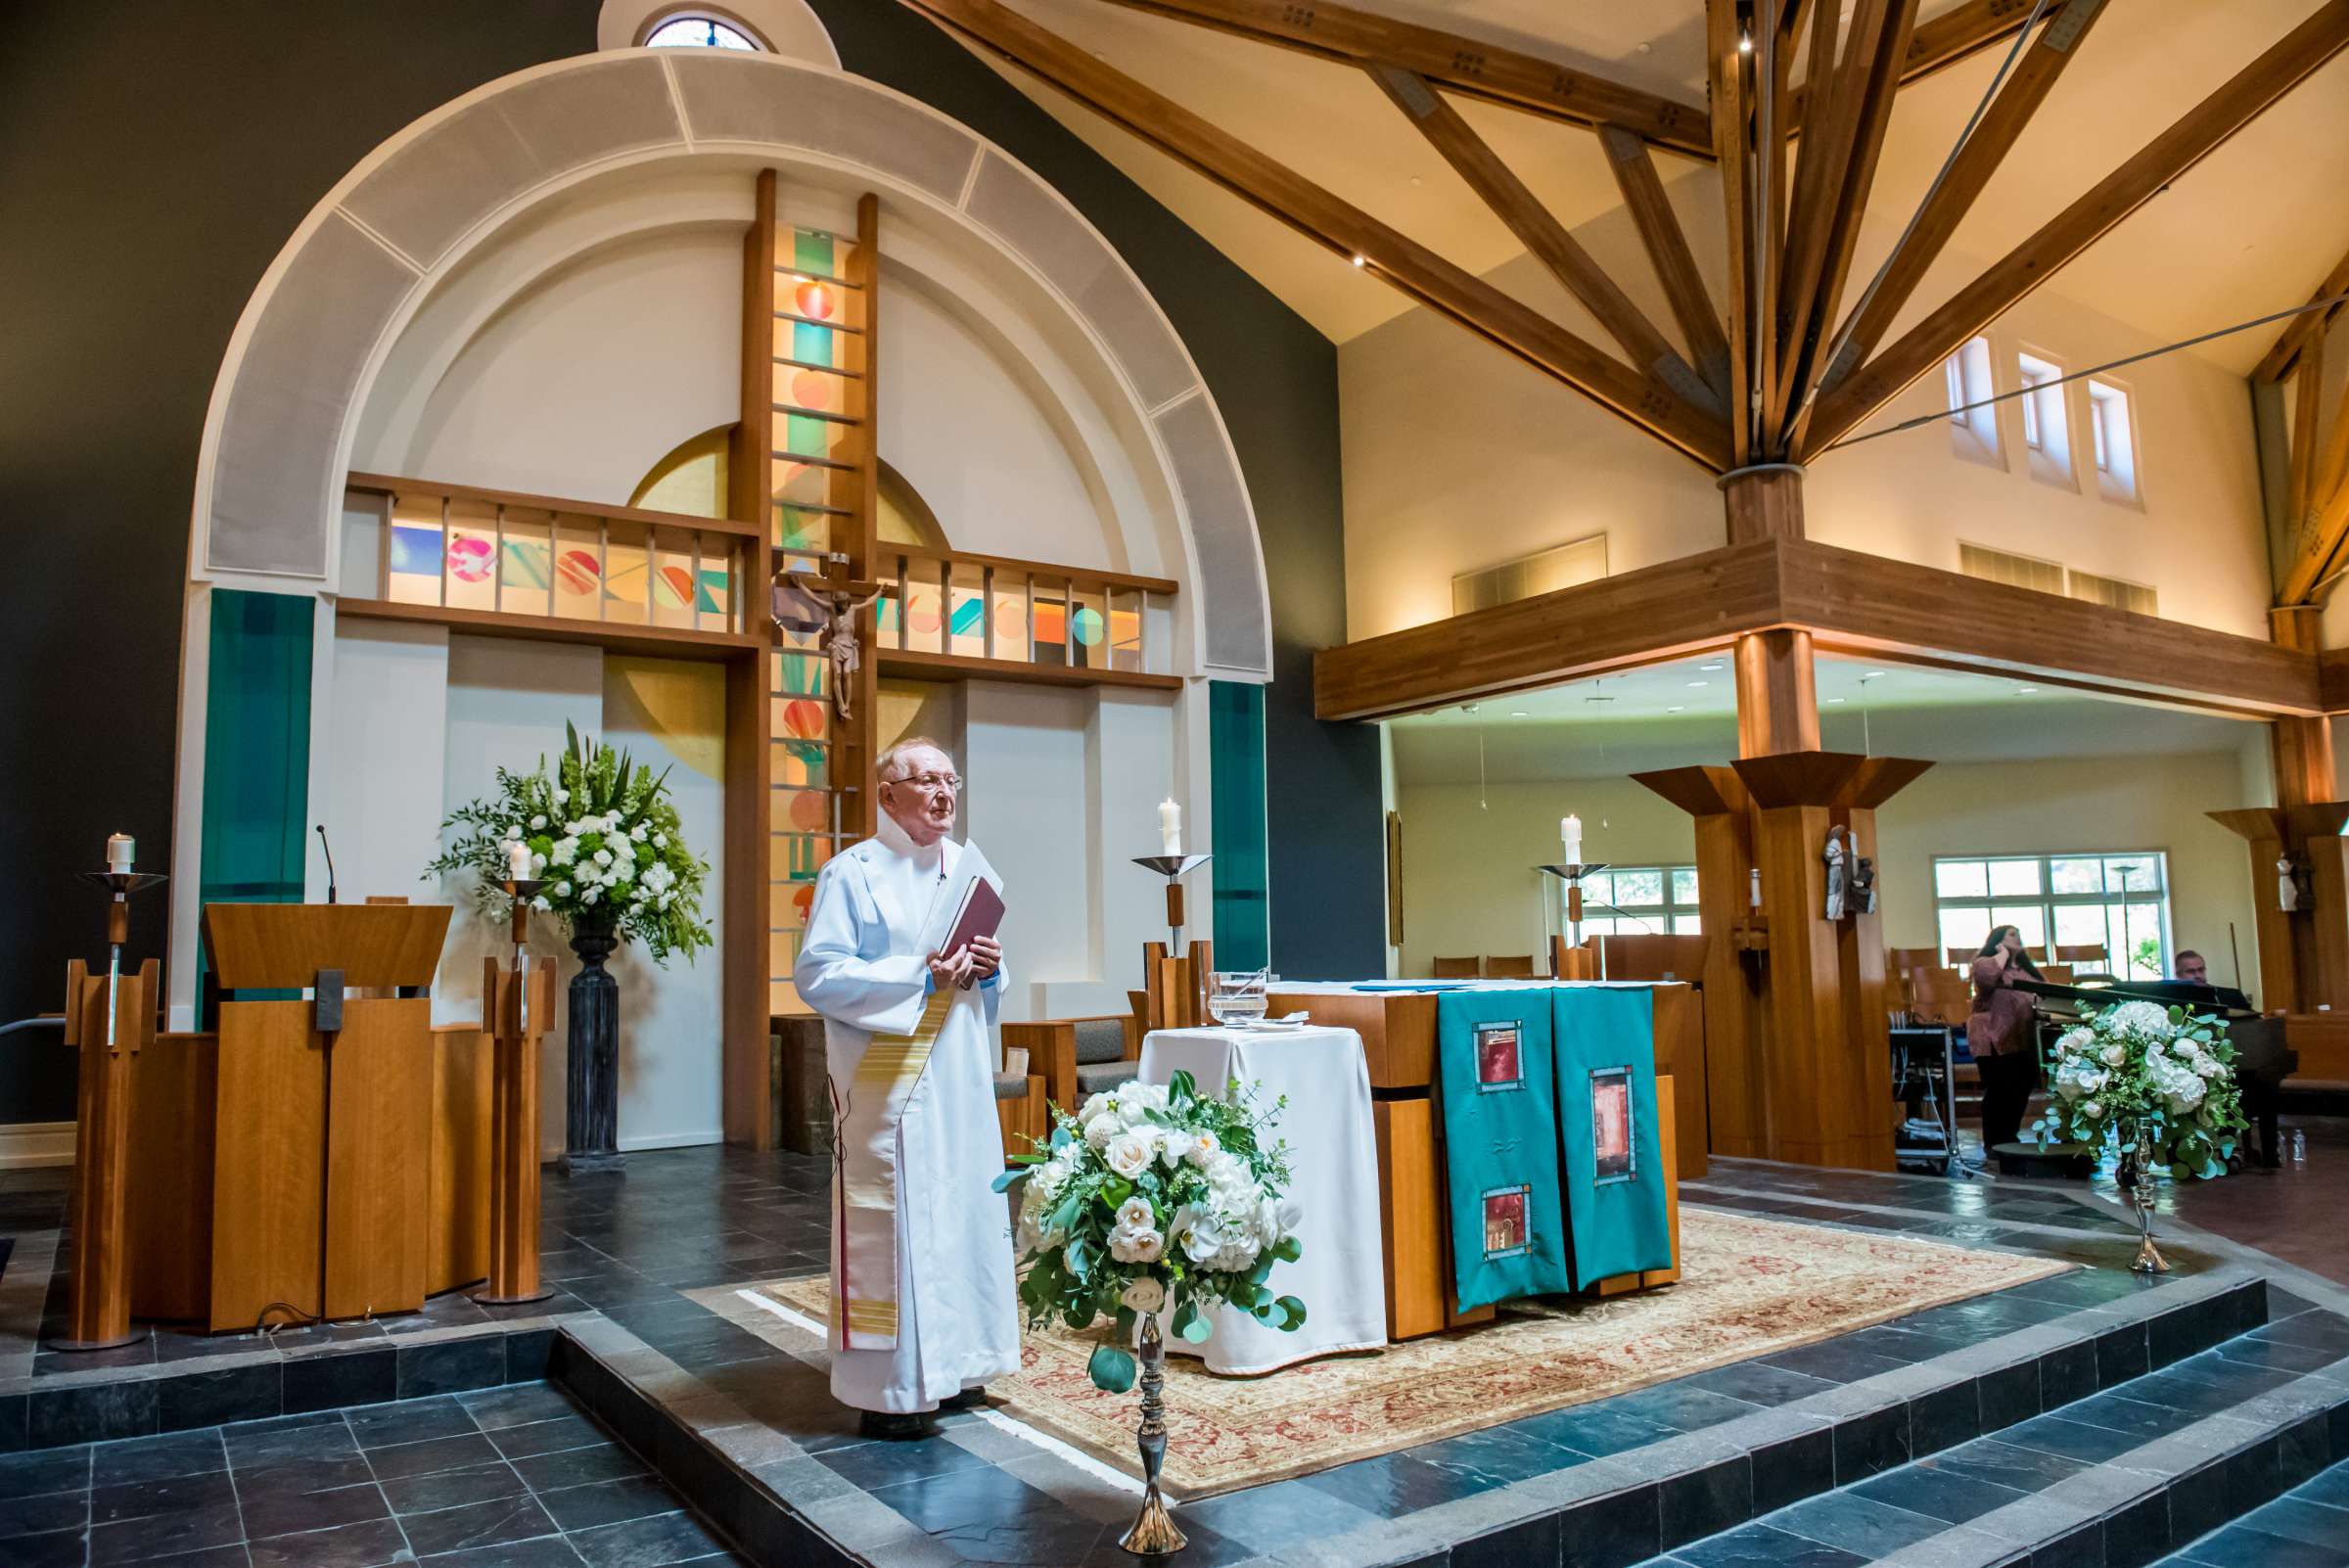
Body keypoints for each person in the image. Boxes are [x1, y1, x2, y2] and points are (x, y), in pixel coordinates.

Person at [794, 737, 1018, 1440]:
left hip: (955, 1070)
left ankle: (962, 1366)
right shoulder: (851, 873)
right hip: (889, 1077)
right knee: (898, 1220)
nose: (945, 793)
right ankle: (895, 1391)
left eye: (952, 779)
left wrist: (987, 968)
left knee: (963, 1209)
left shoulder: (970, 872)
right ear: (889, 794)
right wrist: (918, 974)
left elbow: (986, 980)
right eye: (927, 781)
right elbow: (819, 974)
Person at [1966, 926, 2043, 1154]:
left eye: (2019, 933)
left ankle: (2009, 1137)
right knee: (1999, 1092)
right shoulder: (1985, 962)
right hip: (1993, 1039)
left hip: (2021, 1039)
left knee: (2020, 1089)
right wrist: (2003, 953)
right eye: (2011, 934)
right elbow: (1987, 979)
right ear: (1997, 941)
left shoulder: (2027, 971)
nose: (2017, 937)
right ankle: (1995, 1143)